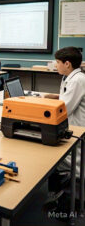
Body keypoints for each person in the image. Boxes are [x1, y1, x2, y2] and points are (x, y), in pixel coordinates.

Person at [45, 47, 85, 177]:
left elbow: (64, 110)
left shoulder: (77, 80)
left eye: (57, 62)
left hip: (77, 127)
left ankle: (73, 184)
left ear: (67, 64)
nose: (56, 65)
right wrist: (57, 97)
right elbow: (68, 98)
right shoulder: (71, 77)